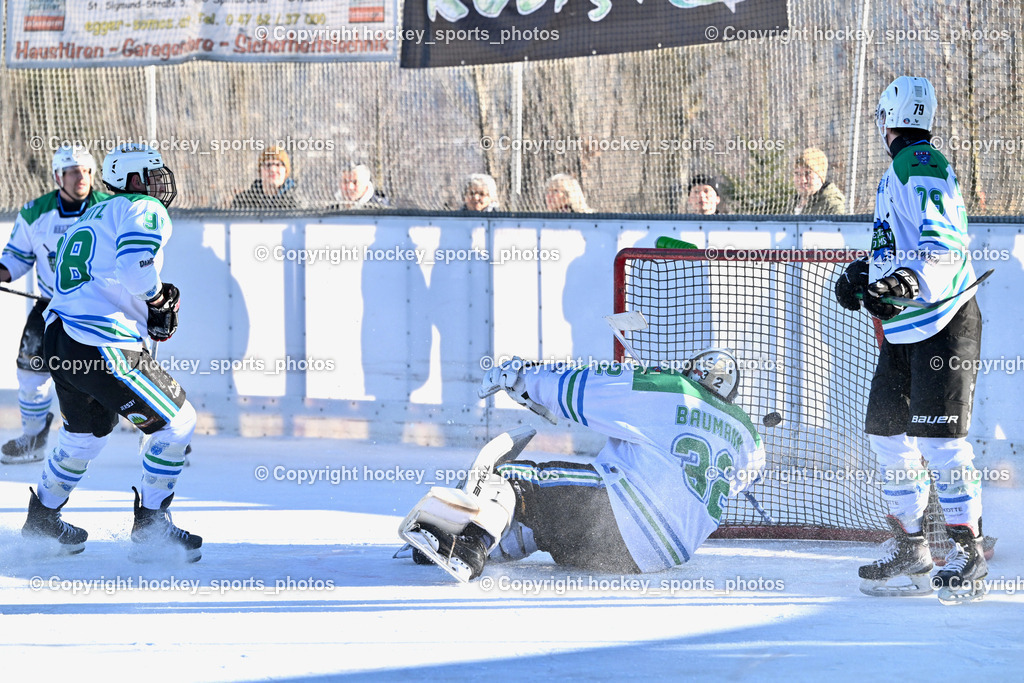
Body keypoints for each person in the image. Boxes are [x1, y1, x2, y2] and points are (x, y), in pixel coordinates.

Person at [398, 349, 766, 581]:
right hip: (656, 557)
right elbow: (746, 477)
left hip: (627, 523)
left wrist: (526, 378)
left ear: (692, 372)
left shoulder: (673, 389)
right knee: (548, 515)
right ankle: (455, 542)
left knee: (513, 480)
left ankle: (470, 545)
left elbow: (584, 389)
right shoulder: (747, 434)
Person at [834, 76, 985, 603]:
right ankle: (912, 548)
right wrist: (867, 272)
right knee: (887, 433)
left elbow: (942, 243)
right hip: (906, 327)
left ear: (885, 118)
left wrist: (904, 283)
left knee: (941, 443)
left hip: (942, 320)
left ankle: (968, 552)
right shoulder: (905, 166)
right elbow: (903, 244)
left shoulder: (917, 161)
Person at [21, 143, 201, 562]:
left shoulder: (93, 213)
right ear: (133, 179)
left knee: (83, 435)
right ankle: (152, 527)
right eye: (151, 173)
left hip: (59, 337)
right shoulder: (142, 207)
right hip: (100, 341)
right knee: (178, 423)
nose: (158, 181)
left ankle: (43, 520)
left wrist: (145, 306)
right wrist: (157, 300)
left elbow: (98, 279)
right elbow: (134, 268)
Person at [0, 145, 111, 464]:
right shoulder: (35, 212)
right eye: (73, 171)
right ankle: (33, 438)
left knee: (126, 371)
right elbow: (16, 258)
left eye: (87, 171)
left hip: (102, 308)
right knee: (30, 373)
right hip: (51, 307)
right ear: (58, 176)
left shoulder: (111, 208)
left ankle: (160, 431)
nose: (82, 177)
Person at [230, 146, 305, 210]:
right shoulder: (244, 201)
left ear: (285, 170)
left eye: (278, 165)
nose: (273, 169)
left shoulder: (297, 201)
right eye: (268, 165)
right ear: (260, 170)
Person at [790, 147, 846, 215]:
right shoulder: (790, 204)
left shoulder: (831, 205)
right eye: (797, 173)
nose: (803, 180)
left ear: (820, 176)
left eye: (808, 173)